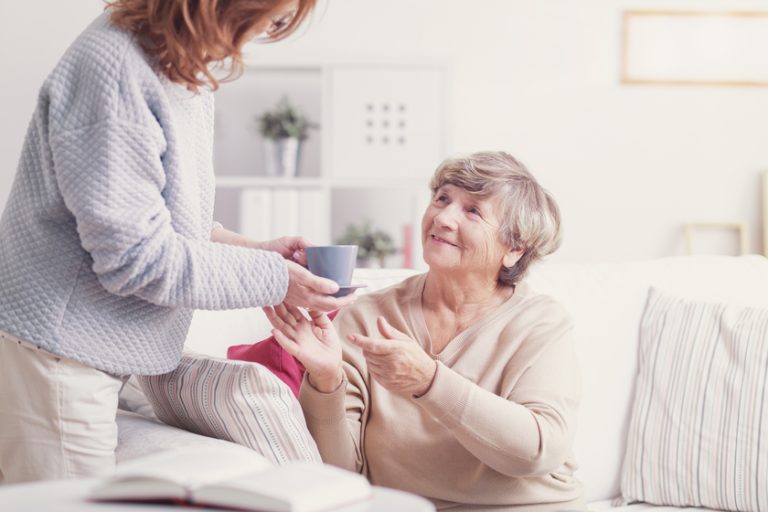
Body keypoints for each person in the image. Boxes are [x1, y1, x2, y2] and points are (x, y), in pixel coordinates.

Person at [0, 0, 354, 484]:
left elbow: (162, 224)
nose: (269, 32)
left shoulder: (183, 67)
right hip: (59, 350)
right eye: (271, 17)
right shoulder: (115, 69)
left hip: (92, 351)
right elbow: (134, 258)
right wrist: (276, 280)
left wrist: (254, 251)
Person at [265, 151, 585, 511]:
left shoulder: (541, 323)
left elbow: (539, 451)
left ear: (514, 249)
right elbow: (342, 479)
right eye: (442, 198)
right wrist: (325, 380)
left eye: (473, 211)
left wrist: (430, 382)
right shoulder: (367, 318)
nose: (443, 218)